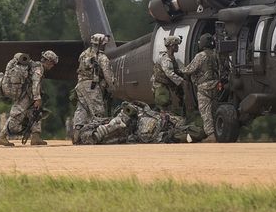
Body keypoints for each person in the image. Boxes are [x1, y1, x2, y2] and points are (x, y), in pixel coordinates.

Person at [0, 49, 59, 147]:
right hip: (25, 95)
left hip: (28, 95)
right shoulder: (39, 68)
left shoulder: (35, 66)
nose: (52, 66)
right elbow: (36, 83)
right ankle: (2, 136)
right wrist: (37, 98)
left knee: (35, 114)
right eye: (52, 64)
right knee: (17, 115)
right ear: (48, 61)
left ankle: (36, 137)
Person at [74, 101, 205, 145]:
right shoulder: (115, 128)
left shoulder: (144, 118)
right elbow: (83, 135)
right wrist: (104, 130)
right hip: (141, 132)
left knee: (183, 130)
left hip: (155, 128)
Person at [72, 33, 115, 137]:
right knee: (98, 111)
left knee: (81, 109)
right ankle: (96, 136)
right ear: (100, 44)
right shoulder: (102, 58)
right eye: (104, 44)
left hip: (80, 85)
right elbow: (107, 75)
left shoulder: (83, 54)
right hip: (92, 86)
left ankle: (77, 134)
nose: (105, 46)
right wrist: (112, 87)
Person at [181, 33, 220, 140]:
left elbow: (189, 70)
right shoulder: (217, 54)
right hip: (216, 86)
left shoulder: (200, 56)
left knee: (205, 111)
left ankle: (211, 134)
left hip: (204, 88)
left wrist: (180, 70)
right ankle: (219, 131)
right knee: (215, 110)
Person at [151, 35, 185, 113]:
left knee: (180, 95)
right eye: (175, 45)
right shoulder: (166, 59)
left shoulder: (172, 58)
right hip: (160, 85)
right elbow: (169, 73)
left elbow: (176, 70)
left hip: (167, 83)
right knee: (164, 103)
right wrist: (181, 81)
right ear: (170, 46)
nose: (177, 47)